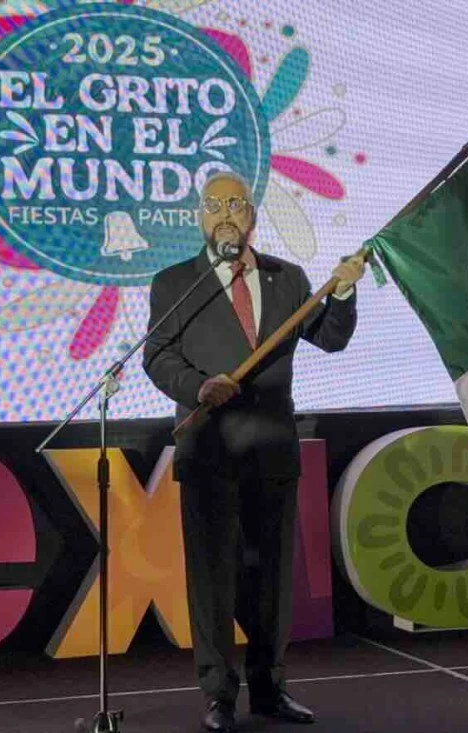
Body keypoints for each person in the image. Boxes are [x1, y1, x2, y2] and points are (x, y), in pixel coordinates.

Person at [142, 171, 365, 732]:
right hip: (210, 453)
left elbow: (332, 338)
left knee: (271, 583)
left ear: (252, 216)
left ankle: (270, 689)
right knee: (213, 582)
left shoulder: (287, 278)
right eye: (212, 205)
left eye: (234, 205)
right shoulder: (175, 283)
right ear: (199, 217)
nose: (223, 214)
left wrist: (341, 291)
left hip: (271, 455)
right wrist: (197, 387)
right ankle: (219, 695)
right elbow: (157, 356)